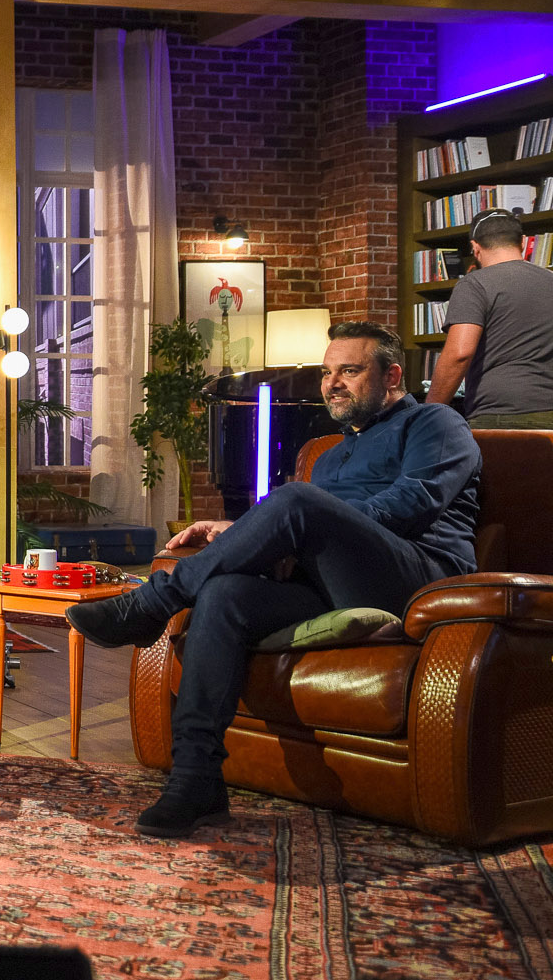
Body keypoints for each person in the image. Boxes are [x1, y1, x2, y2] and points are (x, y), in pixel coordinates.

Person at [68, 321, 479, 838]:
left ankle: (149, 605)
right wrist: (248, 533)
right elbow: (311, 524)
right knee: (224, 594)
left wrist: (306, 522)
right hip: (333, 583)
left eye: (349, 371)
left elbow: (412, 503)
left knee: (295, 499)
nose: (332, 384)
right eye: (327, 373)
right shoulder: (330, 455)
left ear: (392, 376)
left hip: (417, 580)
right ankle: (196, 780)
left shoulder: (436, 423)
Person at [423, 209, 553, 428]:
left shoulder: (474, 284)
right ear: (523, 242)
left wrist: (429, 413)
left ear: (475, 247)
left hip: (500, 414)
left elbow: (460, 353)